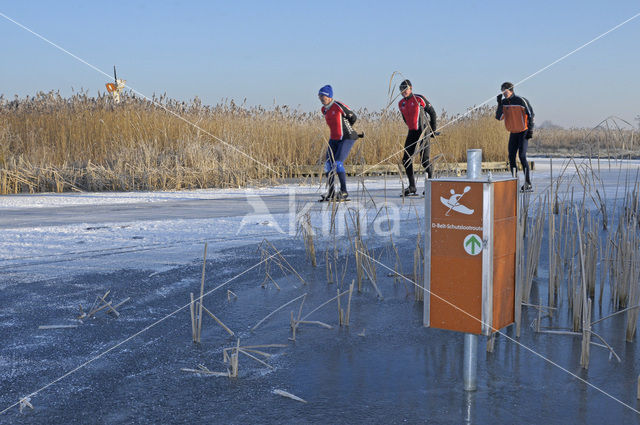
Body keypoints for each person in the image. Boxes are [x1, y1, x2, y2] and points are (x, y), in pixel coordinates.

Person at [318, 84, 359, 201]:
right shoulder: (324, 110)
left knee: (338, 163)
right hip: (334, 139)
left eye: (323, 96)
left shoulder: (338, 106)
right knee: (328, 165)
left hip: (346, 138)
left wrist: (348, 129)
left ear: (329, 96)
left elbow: (353, 117)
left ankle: (344, 191)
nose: (321, 99)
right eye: (319, 96)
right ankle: (331, 191)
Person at [398, 79, 437, 197]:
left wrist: (432, 130)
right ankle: (412, 187)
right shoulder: (401, 103)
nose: (404, 92)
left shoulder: (419, 99)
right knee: (406, 160)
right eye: (401, 90)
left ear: (411, 88)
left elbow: (432, 113)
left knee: (424, 160)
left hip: (423, 131)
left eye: (406, 89)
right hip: (412, 132)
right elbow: (405, 118)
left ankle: (430, 186)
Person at [495, 82, 534, 192]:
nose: (503, 93)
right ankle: (514, 181)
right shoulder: (503, 103)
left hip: (524, 131)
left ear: (510, 90)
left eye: (505, 91)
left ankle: (528, 183)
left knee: (521, 156)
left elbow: (531, 114)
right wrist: (499, 104)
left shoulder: (521, 100)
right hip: (513, 132)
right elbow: (499, 117)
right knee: (511, 156)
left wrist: (530, 130)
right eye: (502, 91)